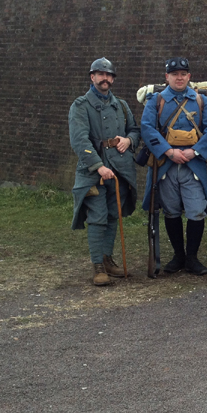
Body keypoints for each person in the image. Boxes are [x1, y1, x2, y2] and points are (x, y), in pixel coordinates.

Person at [141, 57, 207, 276]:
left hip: (193, 164)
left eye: (183, 73)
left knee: (196, 211)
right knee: (171, 210)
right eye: (175, 74)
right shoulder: (156, 100)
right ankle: (178, 256)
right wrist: (169, 151)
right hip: (166, 163)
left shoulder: (201, 100)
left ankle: (192, 258)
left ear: (189, 77)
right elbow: (147, 128)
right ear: (167, 77)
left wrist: (194, 151)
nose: (179, 77)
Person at [69, 58, 140, 286]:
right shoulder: (80, 106)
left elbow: (135, 130)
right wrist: (98, 166)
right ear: (92, 77)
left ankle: (108, 260)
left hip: (119, 170)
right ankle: (98, 266)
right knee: (97, 218)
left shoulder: (121, 105)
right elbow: (79, 140)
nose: (105, 79)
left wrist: (129, 141)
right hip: (93, 172)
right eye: (101, 74)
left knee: (112, 215)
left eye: (109, 75)